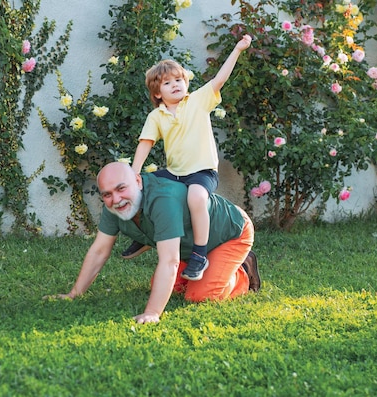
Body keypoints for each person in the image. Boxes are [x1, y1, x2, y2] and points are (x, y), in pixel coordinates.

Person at [51, 162, 260, 324]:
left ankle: (242, 273)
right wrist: (74, 294)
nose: (116, 199)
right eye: (107, 194)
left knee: (201, 296)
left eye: (121, 188)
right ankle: (210, 268)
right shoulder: (114, 207)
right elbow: (99, 251)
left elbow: (169, 261)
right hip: (189, 245)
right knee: (171, 286)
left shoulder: (164, 199)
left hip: (230, 233)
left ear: (138, 181)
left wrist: (152, 312)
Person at [124, 34, 253, 282]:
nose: (175, 85)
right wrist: (135, 173)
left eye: (178, 79)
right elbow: (145, 144)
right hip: (175, 173)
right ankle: (145, 238)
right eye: (167, 83)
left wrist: (237, 49)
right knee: (143, 188)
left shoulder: (197, 101)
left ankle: (199, 254)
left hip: (202, 172)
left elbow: (220, 78)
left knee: (196, 197)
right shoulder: (157, 116)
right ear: (157, 93)